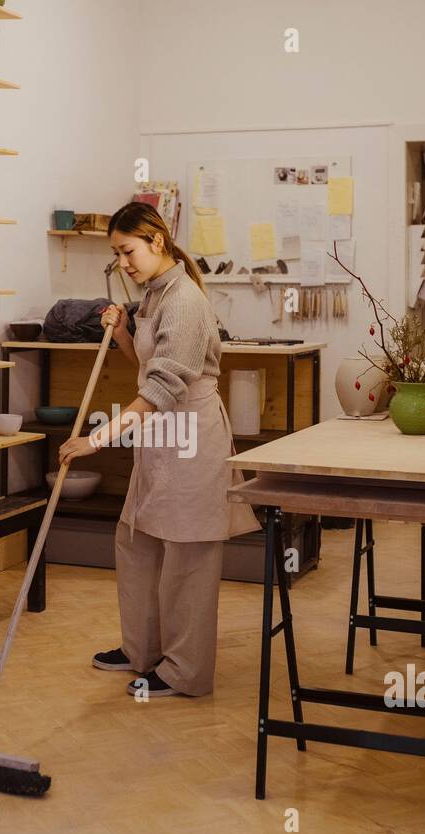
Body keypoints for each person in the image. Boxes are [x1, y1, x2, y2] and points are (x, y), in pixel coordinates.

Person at [58, 202, 259, 698]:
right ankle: (142, 649)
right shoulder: (152, 295)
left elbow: (164, 388)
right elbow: (148, 367)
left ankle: (183, 670)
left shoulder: (185, 301)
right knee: (137, 541)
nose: (123, 263)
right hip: (161, 435)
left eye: (127, 251)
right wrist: (125, 333)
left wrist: (98, 438)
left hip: (189, 435)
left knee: (187, 554)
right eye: (116, 255)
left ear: (157, 242)